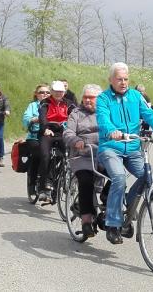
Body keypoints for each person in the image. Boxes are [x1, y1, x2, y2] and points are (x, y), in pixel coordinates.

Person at [96, 62, 153, 245]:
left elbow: (150, 115)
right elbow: (103, 119)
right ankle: (113, 223)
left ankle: (128, 209)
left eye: (126, 79)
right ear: (111, 80)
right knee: (119, 178)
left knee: (148, 177)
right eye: (119, 79)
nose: (123, 82)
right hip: (111, 147)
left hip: (132, 148)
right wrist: (112, 131)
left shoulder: (136, 96)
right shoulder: (103, 99)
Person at [63, 84, 102, 238]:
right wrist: (75, 140)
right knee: (85, 180)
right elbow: (68, 132)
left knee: (117, 174)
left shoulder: (105, 112)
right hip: (82, 155)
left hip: (102, 153)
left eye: (91, 98)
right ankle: (86, 220)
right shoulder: (76, 113)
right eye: (85, 97)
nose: (87, 100)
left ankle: (109, 209)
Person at [37, 80, 76, 201]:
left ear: (64, 92)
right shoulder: (45, 103)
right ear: (52, 92)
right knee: (45, 156)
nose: (59, 94)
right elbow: (42, 117)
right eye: (56, 91)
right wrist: (45, 128)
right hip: (48, 132)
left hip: (63, 133)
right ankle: (43, 185)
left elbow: (76, 115)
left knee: (68, 155)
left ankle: (65, 179)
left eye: (61, 92)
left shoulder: (69, 104)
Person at [22, 84, 50, 191]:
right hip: (34, 136)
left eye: (47, 92)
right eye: (41, 92)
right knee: (38, 155)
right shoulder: (33, 105)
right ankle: (32, 184)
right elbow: (26, 118)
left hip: (49, 136)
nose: (45, 94)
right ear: (36, 94)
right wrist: (34, 119)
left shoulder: (53, 105)